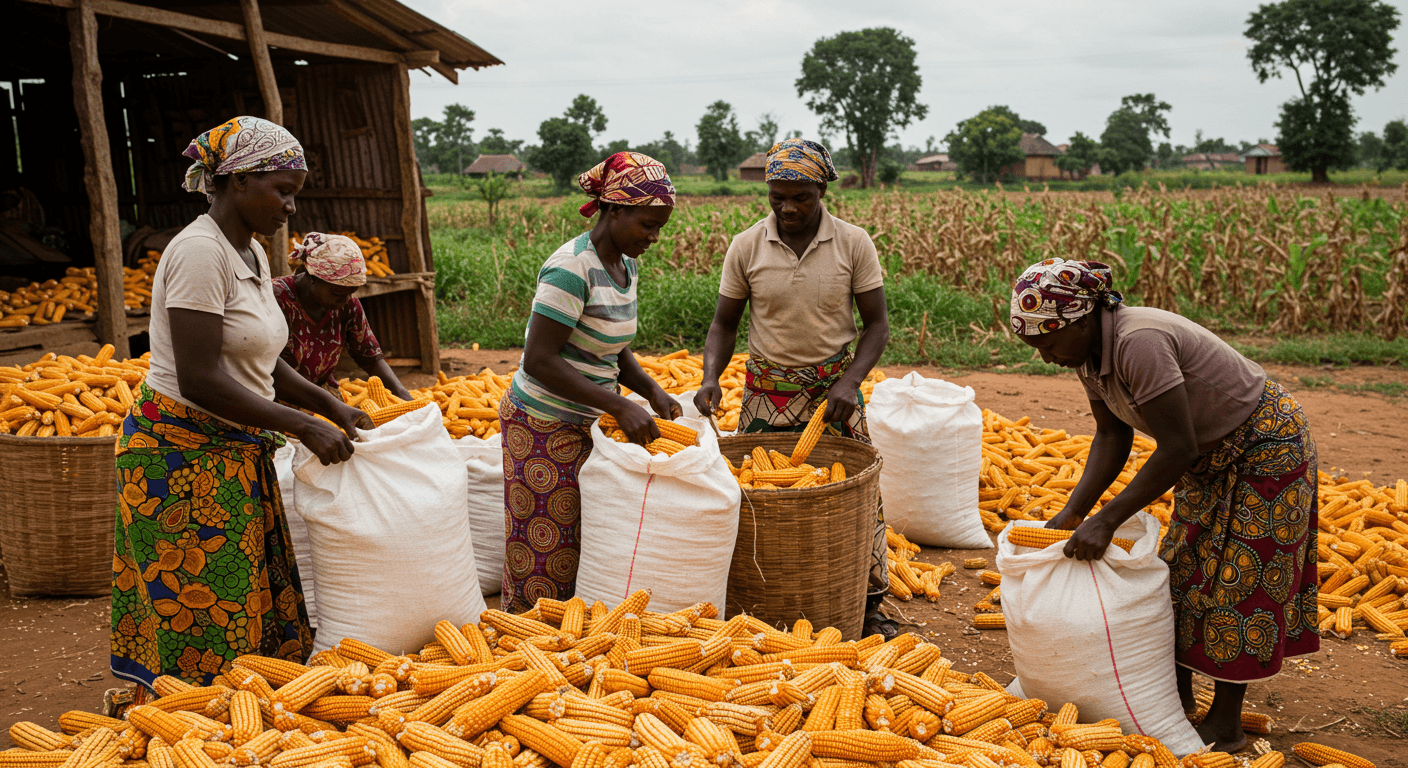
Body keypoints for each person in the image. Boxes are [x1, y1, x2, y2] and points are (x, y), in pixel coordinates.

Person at [1010, 258, 1319, 753]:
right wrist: (1073, 512)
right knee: (1180, 573)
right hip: (1207, 456)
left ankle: (1225, 724)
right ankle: (1176, 705)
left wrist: (1106, 521)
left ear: (1083, 319)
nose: (1045, 357)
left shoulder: (1139, 343)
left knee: (1238, 581)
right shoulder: (1088, 355)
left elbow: (1176, 447)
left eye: (1047, 344)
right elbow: (1112, 435)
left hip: (1264, 446)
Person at [111, 116, 372, 694]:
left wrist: (326, 403)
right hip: (178, 457)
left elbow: (262, 357)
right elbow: (201, 378)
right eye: (282, 191)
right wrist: (303, 425)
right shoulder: (200, 253)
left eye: (294, 193)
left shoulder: (249, 252)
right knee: (202, 609)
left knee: (237, 596)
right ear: (236, 181)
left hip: (226, 450)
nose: (291, 208)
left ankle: (231, 716)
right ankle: (187, 718)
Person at [693, 138, 896, 638]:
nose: (787, 207)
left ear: (823, 189)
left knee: (854, 500)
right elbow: (723, 324)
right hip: (768, 392)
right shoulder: (746, 246)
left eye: (800, 196)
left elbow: (877, 326)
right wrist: (710, 377)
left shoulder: (853, 243)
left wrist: (850, 382)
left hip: (835, 394)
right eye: (776, 196)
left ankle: (867, 603)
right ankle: (758, 596)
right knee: (758, 501)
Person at [500, 152, 681, 613]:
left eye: (660, 226)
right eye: (647, 224)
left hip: (590, 424)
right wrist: (619, 407)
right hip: (542, 424)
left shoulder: (625, 265)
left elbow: (611, 347)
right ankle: (527, 638)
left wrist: (649, 390)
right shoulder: (571, 269)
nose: (654, 237)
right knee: (546, 548)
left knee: (589, 540)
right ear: (615, 210)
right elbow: (540, 360)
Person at [273, 232, 413, 402]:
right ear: (312, 277)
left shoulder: (348, 304)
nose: (346, 300)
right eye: (338, 293)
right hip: (275, 397)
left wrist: (406, 398)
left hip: (322, 394)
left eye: (351, 293)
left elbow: (370, 357)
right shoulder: (277, 297)